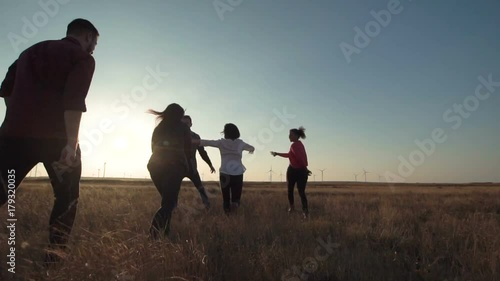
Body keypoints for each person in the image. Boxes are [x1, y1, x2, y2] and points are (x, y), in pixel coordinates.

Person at [0, 18, 99, 264]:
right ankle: (52, 263)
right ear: (87, 36)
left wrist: (16, 118)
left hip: (12, 137)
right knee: (66, 199)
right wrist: (71, 143)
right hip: (55, 140)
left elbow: (6, 90)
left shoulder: (28, 52)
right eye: (94, 43)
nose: (93, 48)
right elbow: (74, 101)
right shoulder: (82, 58)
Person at [147, 103, 192, 239]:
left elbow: (153, 147)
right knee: (170, 203)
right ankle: (153, 233)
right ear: (179, 115)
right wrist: (187, 165)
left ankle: (166, 231)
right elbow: (188, 149)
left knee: (167, 201)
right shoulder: (183, 127)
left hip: (155, 166)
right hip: (174, 167)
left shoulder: (159, 128)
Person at [193, 123, 254, 214]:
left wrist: (191, 141)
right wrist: (251, 150)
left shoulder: (221, 142)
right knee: (236, 197)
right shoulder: (240, 143)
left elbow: (207, 142)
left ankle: (228, 215)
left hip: (224, 172)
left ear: (226, 133)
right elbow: (251, 148)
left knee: (226, 197)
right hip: (238, 173)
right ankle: (235, 210)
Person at [270, 126, 310, 219]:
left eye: (291, 135)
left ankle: (293, 208)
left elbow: (300, 158)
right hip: (299, 170)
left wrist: (305, 168)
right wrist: (277, 153)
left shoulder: (295, 145)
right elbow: (290, 155)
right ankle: (305, 212)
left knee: (291, 190)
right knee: (301, 192)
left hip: (295, 171)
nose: (289, 136)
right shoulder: (299, 144)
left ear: (296, 136)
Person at [181, 115, 216, 209]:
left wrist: (210, 164)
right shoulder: (175, 136)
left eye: (187, 123)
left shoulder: (196, 137)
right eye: (182, 123)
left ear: (191, 124)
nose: (184, 125)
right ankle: (172, 209)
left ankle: (207, 206)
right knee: (172, 190)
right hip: (178, 167)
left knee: (200, 187)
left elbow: (202, 152)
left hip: (192, 167)